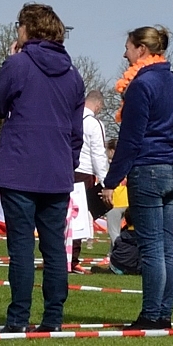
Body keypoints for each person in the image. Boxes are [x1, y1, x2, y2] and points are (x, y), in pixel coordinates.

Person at [0, 3, 85, 332]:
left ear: (27, 30)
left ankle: (18, 319)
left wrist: (8, 62)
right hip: (56, 173)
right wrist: (66, 166)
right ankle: (53, 318)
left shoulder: (19, 64)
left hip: (20, 168)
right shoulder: (73, 75)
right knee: (55, 249)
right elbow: (75, 133)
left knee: (22, 248)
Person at [101, 26, 173, 329]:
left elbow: (131, 139)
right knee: (167, 247)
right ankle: (164, 313)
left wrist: (112, 180)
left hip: (148, 170)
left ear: (141, 50)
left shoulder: (141, 84)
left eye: (127, 47)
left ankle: (150, 315)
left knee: (150, 247)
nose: (124, 54)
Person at [69, 92, 110, 272]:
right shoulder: (95, 124)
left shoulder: (69, 117)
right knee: (79, 217)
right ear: (98, 105)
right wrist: (105, 181)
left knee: (60, 215)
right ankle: (73, 260)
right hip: (84, 173)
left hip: (64, 170)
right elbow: (99, 154)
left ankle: (54, 256)